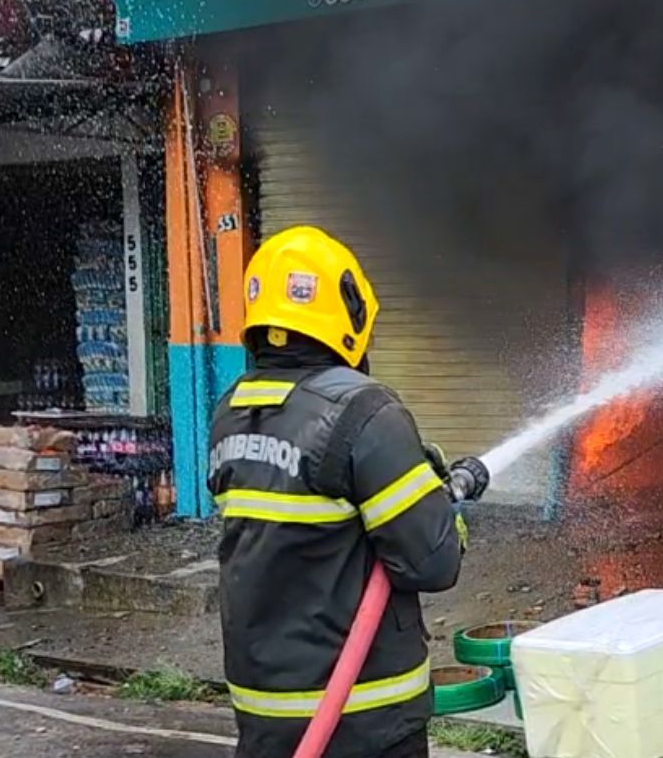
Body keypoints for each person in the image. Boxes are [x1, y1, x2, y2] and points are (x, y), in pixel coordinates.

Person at [208, 226, 489, 758]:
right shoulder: (364, 412)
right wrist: (443, 508)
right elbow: (432, 562)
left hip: (264, 713)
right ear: (349, 311)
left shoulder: (232, 412)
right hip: (363, 718)